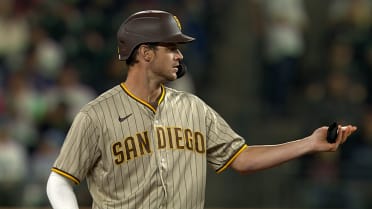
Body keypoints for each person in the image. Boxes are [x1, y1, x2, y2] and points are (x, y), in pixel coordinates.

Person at [46, 10, 357, 209]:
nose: (179, 56)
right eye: (170, 48)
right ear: (144, 53)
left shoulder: (194, 108)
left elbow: (242, 158)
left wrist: (309, 143)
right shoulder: (96, 115)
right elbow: (59, 179)